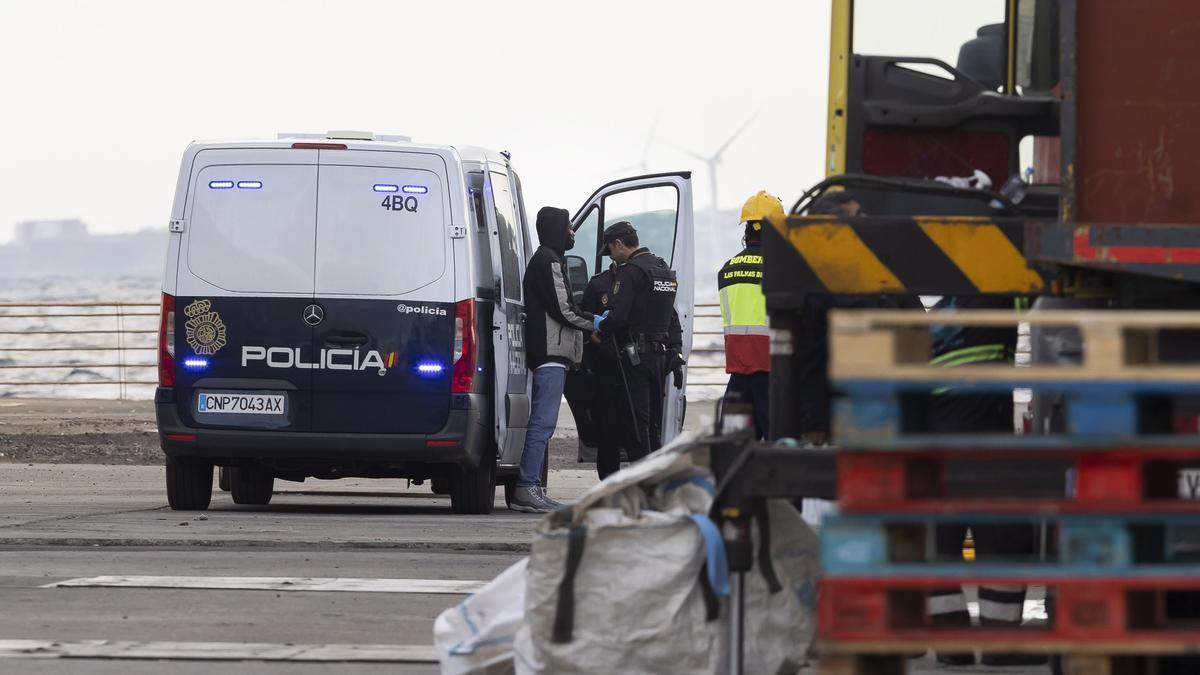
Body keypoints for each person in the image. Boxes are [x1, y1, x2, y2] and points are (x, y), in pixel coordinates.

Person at [926, 295, 1045, 668]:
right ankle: (999, 638)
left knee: (940, 540)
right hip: (981, 434)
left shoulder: (938, 313)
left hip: (935, 436)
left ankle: (951, 641)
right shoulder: (997, 296)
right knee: (1005, 535)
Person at [511, 206, 601, 513]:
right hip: (550, 354)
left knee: (543, 425)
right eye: (569, 228)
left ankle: (533, 487)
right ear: (555, 230)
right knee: (542, 424)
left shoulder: (549, 259)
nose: (572, 233)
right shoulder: (548, 260)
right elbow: (564, 310)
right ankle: (526, 487)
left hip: (554, 354)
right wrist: (597, 324)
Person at [594, 221, 681, 460]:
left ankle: (644, 483)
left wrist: (598, 325)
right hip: (659, 358)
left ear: (619, 244)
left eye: (610, 250)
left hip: (636, 360)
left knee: (636, 424)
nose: (611, 257)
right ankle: (658, 478)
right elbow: (672, 317)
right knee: (653, 425)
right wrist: (677, 348)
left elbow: (619, 317)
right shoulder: (662, 268)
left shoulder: (631, 271)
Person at [718, 191, 782, 440]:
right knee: (779, 444)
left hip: (738, 373)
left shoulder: (727, 269)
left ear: (747, 230)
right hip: (772, 372)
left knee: (735, 448)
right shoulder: (781, 267)